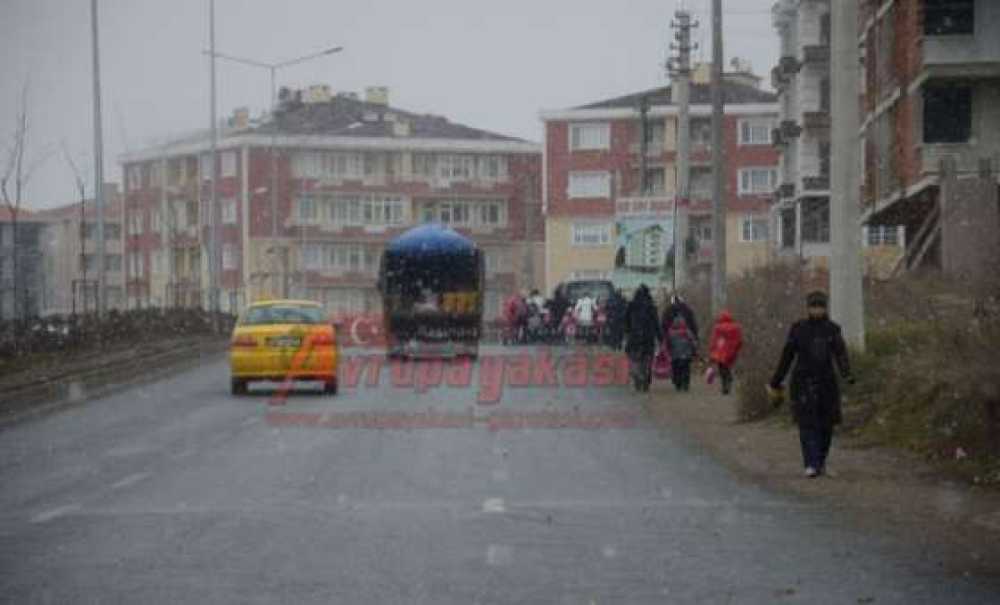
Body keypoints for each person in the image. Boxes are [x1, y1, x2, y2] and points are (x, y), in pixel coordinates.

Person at [769, 291, 855, 478]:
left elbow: (841, 354)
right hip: (802, 382)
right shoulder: (799, 329)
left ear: (825, 308)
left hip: (827, 383)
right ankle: (810, 463)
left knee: (826, 425)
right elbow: (787, 356)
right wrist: (776, 380)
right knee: (807, 424)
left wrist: (847, 374)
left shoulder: (832, 329)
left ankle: (820, 461)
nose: (817, 309)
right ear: (808, 308)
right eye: (814, 306)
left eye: (820, 306)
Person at [624, 284, 662, 392]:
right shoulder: (651, 306)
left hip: (634, 338)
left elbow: (626, 322)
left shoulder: (631, 306)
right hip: (648, 338)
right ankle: (646, 378)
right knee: (648, 360)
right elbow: (656, 324)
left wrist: (627, 332)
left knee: (635, 360)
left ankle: (638, 377)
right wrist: (660, 338)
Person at [708, 310, 744, 395]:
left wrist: (712, 350)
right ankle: (729, 378)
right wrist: (736, 349)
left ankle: (725, 385)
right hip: (731, 351)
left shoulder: (718, 328)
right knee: (728, 366)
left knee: (722, 368)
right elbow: (739, 340)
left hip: (720, 352)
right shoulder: (736, 327)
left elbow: (714, 340)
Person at [666, 316, 697, 392]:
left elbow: (668, 344)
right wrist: (694, 351)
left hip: (675, 355)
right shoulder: (687, 332)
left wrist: (669, 352)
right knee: (686, 370)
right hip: (686, 354)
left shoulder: (670, 332)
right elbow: (693, 342)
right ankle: (685, 384)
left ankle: (678, 384)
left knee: (676, 370)